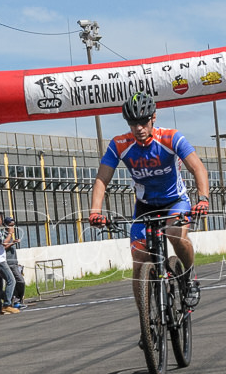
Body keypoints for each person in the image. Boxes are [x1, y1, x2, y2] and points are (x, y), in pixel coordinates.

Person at [88, 92, 211, 308]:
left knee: (175, 234)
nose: (139, 128)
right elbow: (102, 178)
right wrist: (95, 211)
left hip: (175, 202)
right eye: (133, 123)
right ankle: (146, 323)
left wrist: (202, 199)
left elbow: (197, 167)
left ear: (153, 117)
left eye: (143, 122)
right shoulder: (119, 144)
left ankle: (190, 278)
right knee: (139, 262)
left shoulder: (171, 138)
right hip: (145, 207)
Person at [4, 216, 26, 309]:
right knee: (20, 281)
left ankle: (16, 300)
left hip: (14, 262)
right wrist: (12, 243)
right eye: (10, 225)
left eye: (13, 225)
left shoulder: (10, 235)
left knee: (16, 282)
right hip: (9, 263)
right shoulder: (4, 234)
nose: (12, 227)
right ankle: (13, 300)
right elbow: (3, 246)